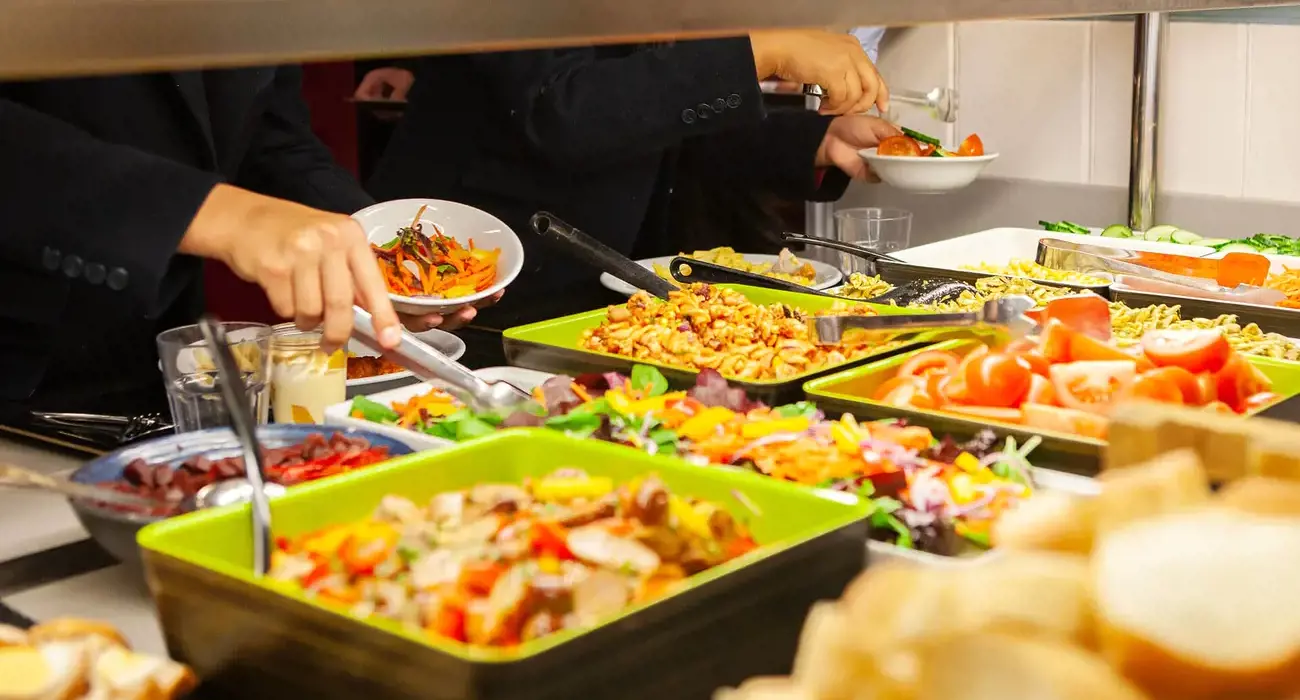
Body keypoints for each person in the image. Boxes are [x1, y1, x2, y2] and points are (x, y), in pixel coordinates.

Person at [0, 66, 484, 417]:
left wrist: (368, 254)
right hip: (21, 345)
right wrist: (214, 212)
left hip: (162, 352)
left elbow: (271, 134)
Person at [364, 32, 899, 332]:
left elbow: (656, 114)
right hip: (465, 290)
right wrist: (762, 51)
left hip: (597, 287)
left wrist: (813, 142)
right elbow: (561, 110)